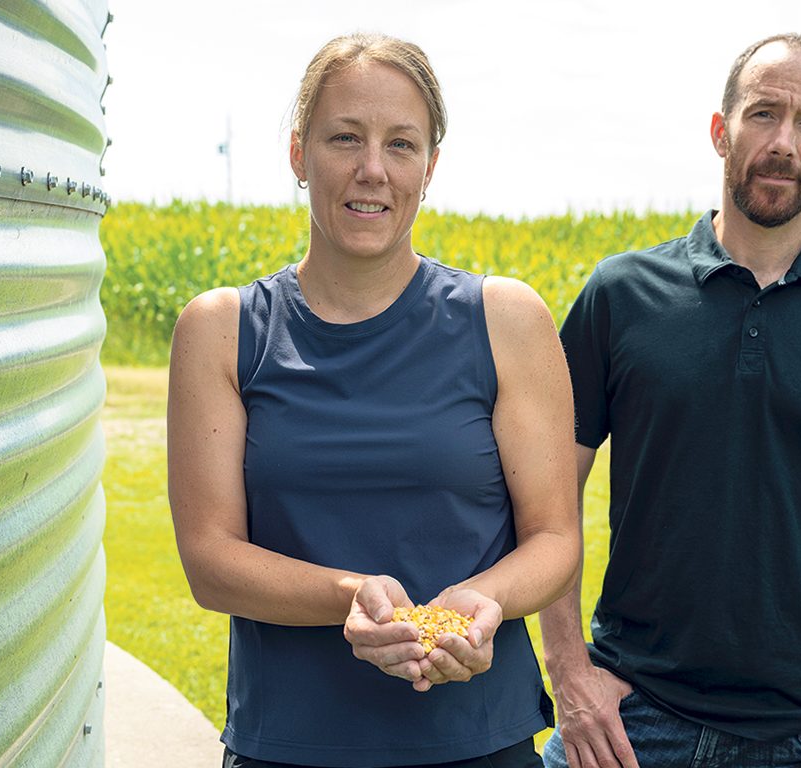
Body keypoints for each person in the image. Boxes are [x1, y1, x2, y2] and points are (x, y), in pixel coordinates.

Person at [540, 33, 801, 768]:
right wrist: (571, 674)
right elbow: (548, 497)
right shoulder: (620, 296)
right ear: (720, 130)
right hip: (630, 723)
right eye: (764, 113)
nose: (783, 142)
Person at [167, 32, 579, 768]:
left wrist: (479, 603)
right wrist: (349, 595)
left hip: (478, 741)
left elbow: (554, 538)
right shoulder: (222, 331)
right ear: (298, 154)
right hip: (289, 746)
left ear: (430, 166)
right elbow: (209, 559)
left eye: (401, 144)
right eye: (344, 138)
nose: (372, 170)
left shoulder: (508, 320)